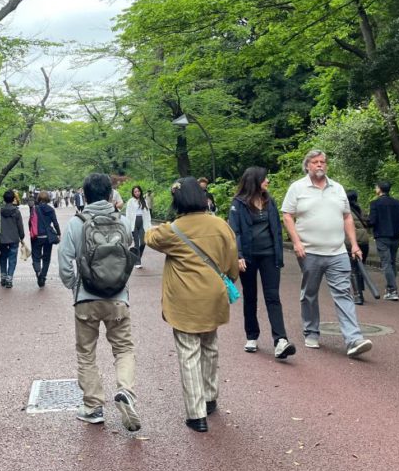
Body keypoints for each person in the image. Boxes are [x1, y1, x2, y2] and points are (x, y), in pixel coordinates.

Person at [145, 177, 239, 433]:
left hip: (185, 300)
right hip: (214, 296)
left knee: (189, 352)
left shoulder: (173, 230)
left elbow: (149, 237)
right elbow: (231, 264)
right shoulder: (221, 226)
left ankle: (196, 414)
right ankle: (210, 397)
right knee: (210, 345)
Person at [58, 173, 141, 432]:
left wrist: (74, 285)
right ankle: (125, 391)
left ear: (84, 194)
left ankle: (93, 406)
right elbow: (128, 256)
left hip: (86, 298)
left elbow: (64, 261)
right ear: (109, 195)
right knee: (124, 349)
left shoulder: (76, 223)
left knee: (87, 353)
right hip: (118, 298)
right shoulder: (123, 222)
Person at [281, 150, 372, 358]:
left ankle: (353, 339)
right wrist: (296, 242)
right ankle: (311, 331)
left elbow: (347, 217)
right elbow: (287, 216)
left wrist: (354, 245)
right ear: (307, 166)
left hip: (337, 251)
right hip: (309, 251)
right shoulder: (297, 188)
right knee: (310, 293)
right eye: (315, 162)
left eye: (323, 162)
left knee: (343, 293)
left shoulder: (337, 188)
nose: (320, 165)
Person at [228, 167, 295, 359]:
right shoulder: (238, 203)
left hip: (269, 255)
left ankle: (280, 340)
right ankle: (251, 336)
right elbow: (235, 232)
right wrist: (238, 255)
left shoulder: (269, 201)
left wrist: (279, 252)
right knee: (250, 296)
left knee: (273, 296)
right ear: (255, 181)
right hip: (247, 256)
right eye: (265, 179)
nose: (268, 182)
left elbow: (275, 227)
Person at [367, 180, 399, 301]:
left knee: (386, 263)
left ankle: (392, 290)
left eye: (376, 187)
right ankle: (390, 288)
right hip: (395, 236)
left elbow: (372, 221)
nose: (375, 189)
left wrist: (365, 222)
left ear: (380, 189)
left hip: (382, 236)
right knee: (391, 262)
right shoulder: (398, 203)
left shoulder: (375, 204)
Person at [0, 189, 25, 288]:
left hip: (2, 238)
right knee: (12, 258)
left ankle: (3, 277)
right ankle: (9, 279)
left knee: (3, 256)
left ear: (4, 199)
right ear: (13, 199)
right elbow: (20, 226)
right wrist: (21, 236)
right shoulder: (16, 212)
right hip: (14, 238)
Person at [346, 190, 372, 305]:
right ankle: (360, 292)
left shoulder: (345, 212)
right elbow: (369, 223)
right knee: (361, 267)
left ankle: (357, 295)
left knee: (353, 268)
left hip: (351, 242)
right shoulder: (361, 210)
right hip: (364, 241)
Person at [31, 190, 61, 288]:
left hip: (37, 236)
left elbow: (30, 223)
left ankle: (38, 271)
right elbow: (55, 222)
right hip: (48, 237)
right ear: (48, 198)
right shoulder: (51, 209)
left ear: (39, 198)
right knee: (46, 258)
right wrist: (59, 233)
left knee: (36, 256)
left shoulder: (34, 209)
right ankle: (43, 277)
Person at [125, 185, 151, 269]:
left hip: (142, 223)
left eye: (138, 191)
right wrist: (128, 225)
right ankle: (137, 262)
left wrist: (149, 224)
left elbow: (147, 214)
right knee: (136, 243)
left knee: (143, 242)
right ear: (133, 193)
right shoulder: (130, 201)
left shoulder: (144, 201)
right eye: (135, 192)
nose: (137, 193)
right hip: (134, 223)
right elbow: (128, 214)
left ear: (140, 191)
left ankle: (136, 256)